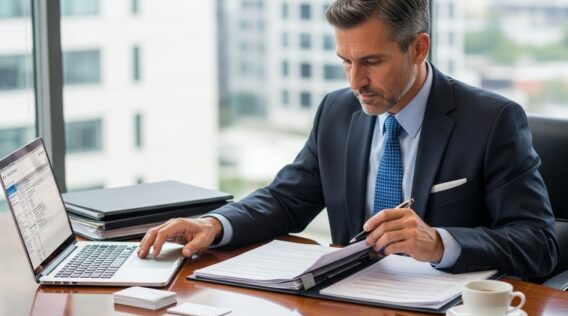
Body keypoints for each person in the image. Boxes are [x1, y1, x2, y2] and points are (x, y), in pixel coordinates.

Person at [139, 0, 558, 279]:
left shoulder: (492, 120)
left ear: (418, 48)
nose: (356, 82)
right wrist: (214, 224)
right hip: (349, 307)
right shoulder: (337, 111)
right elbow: (287, 199)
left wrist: (437, 242)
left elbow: (538, 243)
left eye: (372, 62)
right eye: (346, 62)